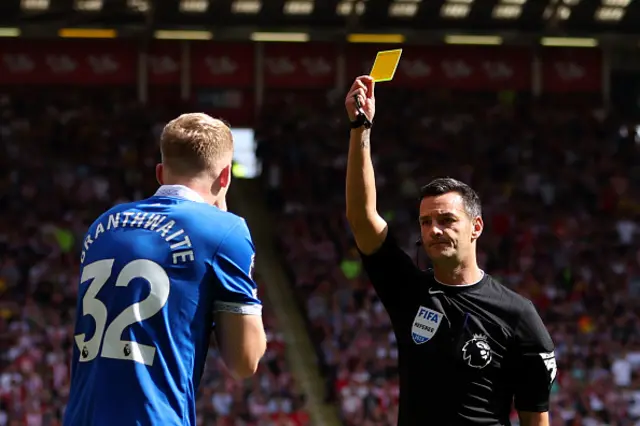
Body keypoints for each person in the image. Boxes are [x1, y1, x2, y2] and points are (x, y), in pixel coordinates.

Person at [344, 76, 556, 426]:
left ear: (477, 227)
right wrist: (359, 128)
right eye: (425, 222)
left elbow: (535, 420)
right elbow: (362, 218)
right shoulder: (408, 292)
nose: (434, 230)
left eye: (446, 220)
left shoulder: (519, 316)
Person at [63, 113, 267, 426]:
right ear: (225, 176)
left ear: (160, 173)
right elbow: (244, 361)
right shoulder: (225, 230)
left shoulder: (102, 225)